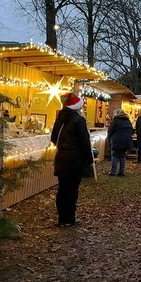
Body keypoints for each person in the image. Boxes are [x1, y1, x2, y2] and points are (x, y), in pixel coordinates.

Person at [50, 93, 93, 227]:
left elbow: (53, 137)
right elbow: (84, 141)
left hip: (61, 157)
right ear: (77, 106)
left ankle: (62, 218)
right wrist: (89, 158)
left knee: (62, 188)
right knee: (72, 190)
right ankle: (69, 218)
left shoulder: (60, 118)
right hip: (75, 159)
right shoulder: (79, 120)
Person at [107, 109, 133, 176]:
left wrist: (109, 139)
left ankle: (113, 172)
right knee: (122, 156)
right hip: (126, 141)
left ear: (117, 114)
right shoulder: (128, 121)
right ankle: (121, 171)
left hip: (117, 140)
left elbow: (110, 131)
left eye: (114, 113)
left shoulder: (115, 121)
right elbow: (132, 130)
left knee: (115, 156)